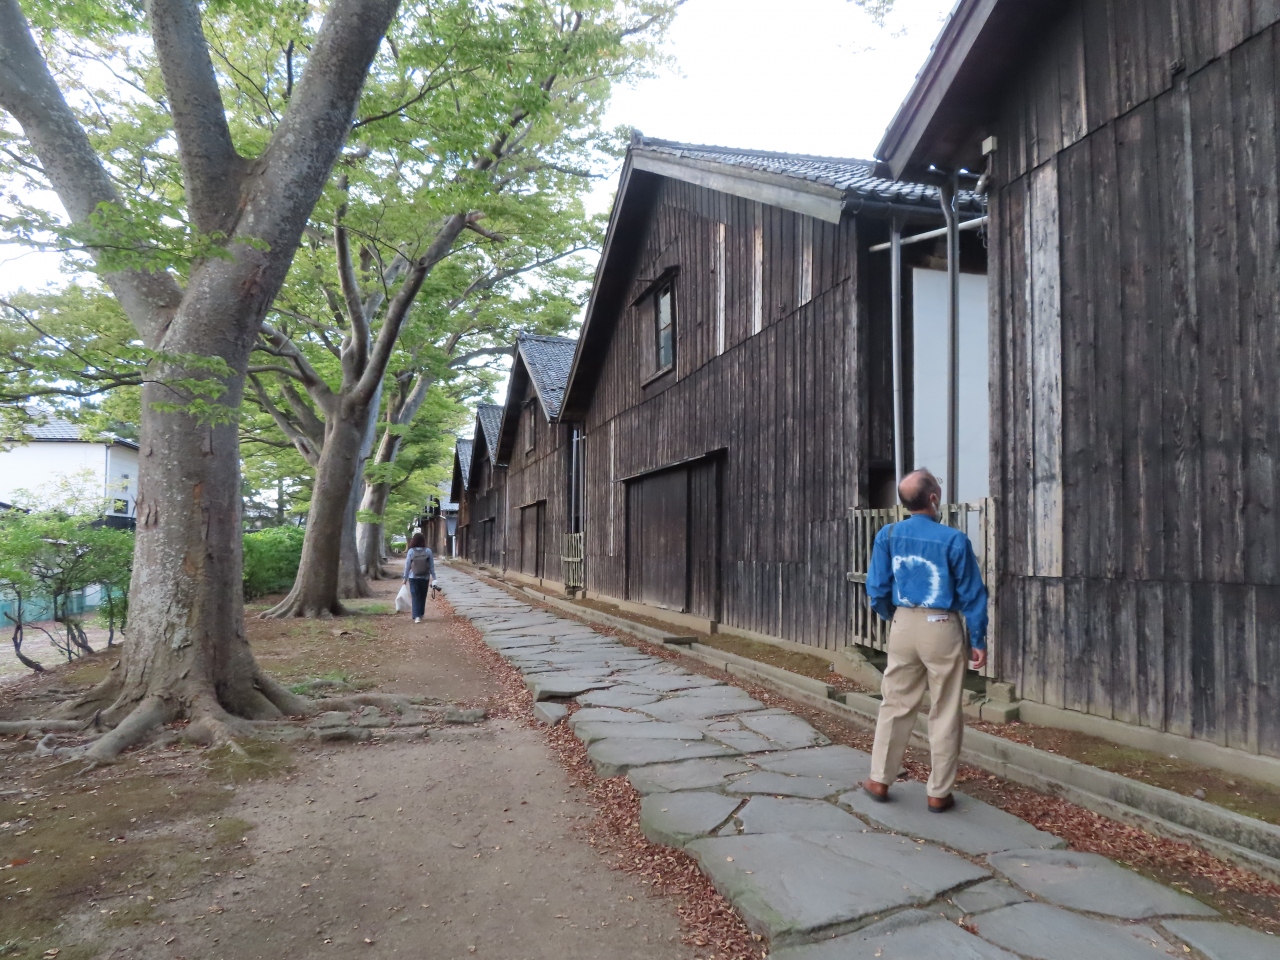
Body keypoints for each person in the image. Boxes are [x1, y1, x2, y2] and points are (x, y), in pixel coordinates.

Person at [862, 468, 988, 813]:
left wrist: (894, 615)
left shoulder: (888, 535)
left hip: (903, 623)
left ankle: (879, 779)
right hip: (942, 624)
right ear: (933, 498)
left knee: (895, 703)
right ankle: (938, 791)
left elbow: (876, 588)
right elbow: (973, 594)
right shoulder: (955, 540)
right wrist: (978, 638)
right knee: (945, 708)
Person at [402, 532, 435, 624]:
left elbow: (407, 566)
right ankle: (420, 613)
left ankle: (417, 616)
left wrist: (405, 578)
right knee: (423, 596)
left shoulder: (411, 551)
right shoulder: (428, 551)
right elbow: (431, 566)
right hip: (425, 577)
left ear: (414, 541)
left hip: (413, 577)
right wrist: (434, 577)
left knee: (415, 596)